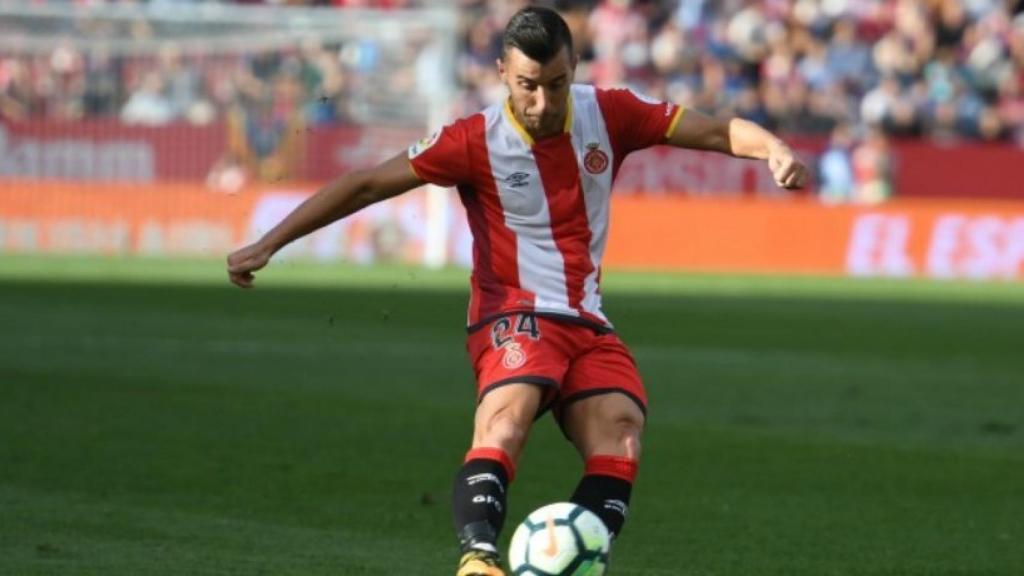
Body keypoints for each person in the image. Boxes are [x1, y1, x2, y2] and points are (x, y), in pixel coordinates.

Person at [226, 6, 808, 575]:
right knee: (507, 418)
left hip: (586, 318)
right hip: (513, 313)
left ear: (575, 66)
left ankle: (554, 562)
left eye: (556, 84)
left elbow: (712, 130)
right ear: (503, 72)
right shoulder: (473, 139)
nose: (542, 103)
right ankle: (477, 558)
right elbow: (366, 183)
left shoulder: (610, 113)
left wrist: (772, 149)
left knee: (622, 429)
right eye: (528, 85)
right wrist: (269, 243)